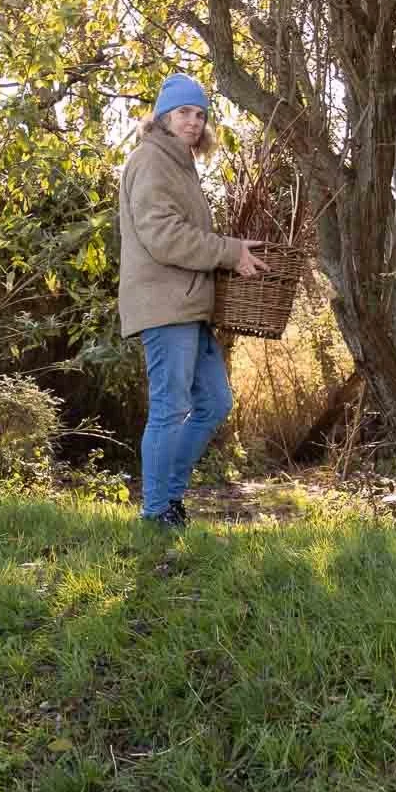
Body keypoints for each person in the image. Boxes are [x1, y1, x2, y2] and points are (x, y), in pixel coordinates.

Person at [118, 73, 268, 528]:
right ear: (163, 116)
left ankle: (169, 499)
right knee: (169, 408)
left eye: (200, 114)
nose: (194, 121)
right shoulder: (151, 161)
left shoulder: (179, 166)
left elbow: (188, 233)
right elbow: (164, 236)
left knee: (216, 402)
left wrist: (231, 248)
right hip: (165, 306)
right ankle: (155, 512)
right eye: (184, 111)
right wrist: (227, 252)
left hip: (189, 306)